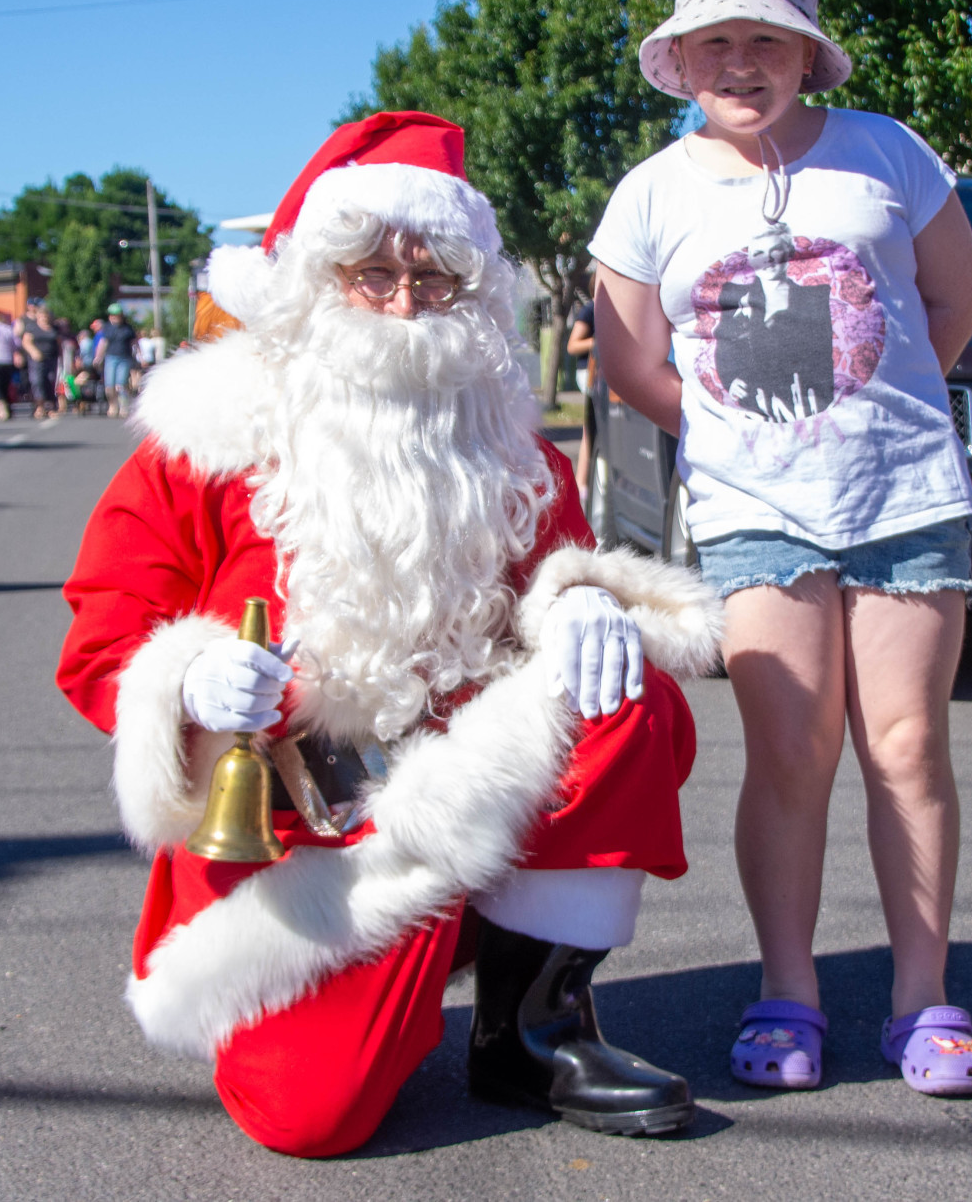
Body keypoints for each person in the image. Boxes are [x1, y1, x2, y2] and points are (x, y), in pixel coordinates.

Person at [56, 112, 721, 1158]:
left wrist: (579, 596)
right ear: (317, 282)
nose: (404, 304)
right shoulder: (208, 434)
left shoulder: (506, 443)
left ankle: (534, 1027)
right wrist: (181, 683)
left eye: (434, 278)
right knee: (311, 1117)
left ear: (472, 292)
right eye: (372, 274)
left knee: (614, 684)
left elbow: (557, 566)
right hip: (298, 827)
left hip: (464, 783)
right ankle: (424, 955)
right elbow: (106, 624)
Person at [590, 0, 972, 1096]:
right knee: (788, 751)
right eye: (713, 38)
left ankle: (921, 1001)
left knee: (907, 747)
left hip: (901, 495)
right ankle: (789, 992)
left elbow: (952, 302)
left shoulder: (888, 156)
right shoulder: (650, 192)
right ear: (681, 58)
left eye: (763, 35)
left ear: (805, 51)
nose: (739, 58)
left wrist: (876, 399)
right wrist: (739, 435)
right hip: (753, 510)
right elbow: (629, 364)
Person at [565, 298, 597, 495]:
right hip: (590, 372)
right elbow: (573, 345)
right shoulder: (591, 310)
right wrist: (598, 341)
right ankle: (582, 481)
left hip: (605, 371)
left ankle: (584, 481)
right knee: (591, 429)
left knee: (594, 429)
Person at [95, 306, 138, 417]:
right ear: (110, 316)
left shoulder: (128, 328)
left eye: (118, 315)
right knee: (109, 386)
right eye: (113, 315)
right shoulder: (107, 328)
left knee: (121, 384)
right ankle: (113, 405)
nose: (115, 317)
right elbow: (103, 343)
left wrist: (140, 356)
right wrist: (98, 357)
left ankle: (124, 406)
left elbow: (135, 343)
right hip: (110, 358)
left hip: (124, 358)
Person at [21, 304, 60, 419]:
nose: (44, 318)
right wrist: (34, 352)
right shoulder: (32, 327)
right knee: (37, 381)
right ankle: (40, 406)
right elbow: (26, 342)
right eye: (41, 315)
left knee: (51, 381)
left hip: (52, 359)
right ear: (37, 316)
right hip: (37, 359)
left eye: (46, 316)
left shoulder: (54, 328)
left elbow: (59, 342)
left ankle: (51, 407)